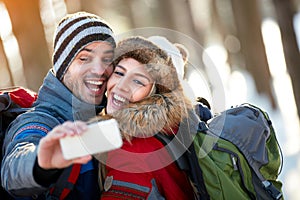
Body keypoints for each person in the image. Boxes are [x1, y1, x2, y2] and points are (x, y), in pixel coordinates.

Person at [1, 11, 116, 199]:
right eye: (84, 58)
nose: (100, 70)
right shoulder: (39, 119)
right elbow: (14, 167)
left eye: (106, 59)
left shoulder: (104, 121)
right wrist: (41, 163)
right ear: (63, 67)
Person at [91, 36, 196, 199]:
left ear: (154, 93)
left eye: (138, 82)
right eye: (119, 73)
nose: (121, 86)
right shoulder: (171, 129)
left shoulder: (133, 152)